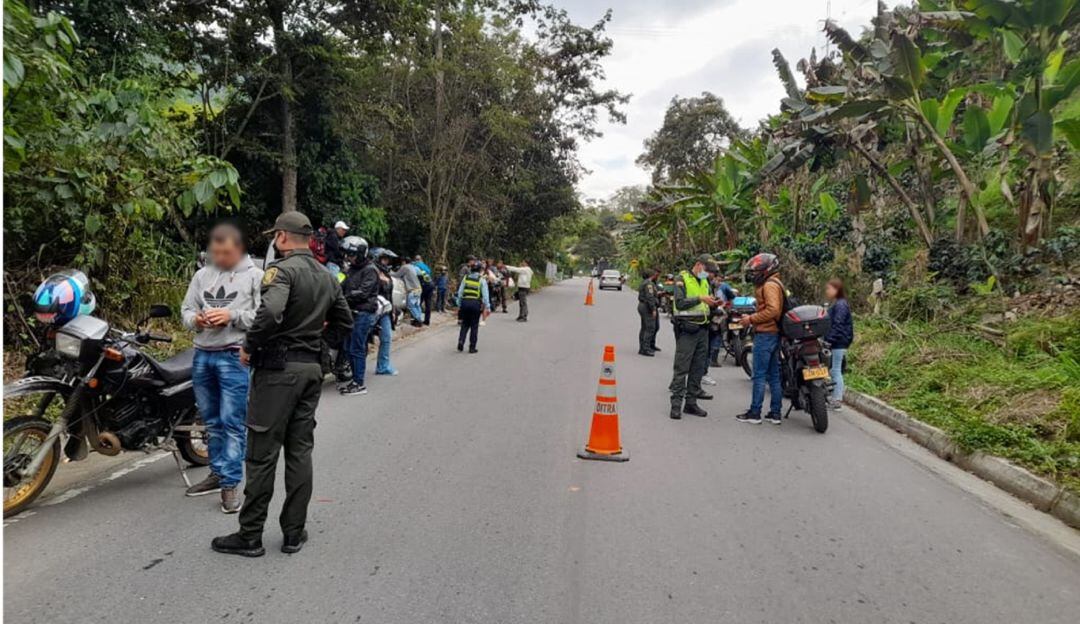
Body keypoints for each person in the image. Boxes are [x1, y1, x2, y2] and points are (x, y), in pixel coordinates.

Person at [211, 211, 352, 558]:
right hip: (310, 372)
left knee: (261, 455)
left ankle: (250, 535)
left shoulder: (282, 271)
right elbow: (345, 320)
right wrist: (320, 349)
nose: (274, 240)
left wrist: (249, 346)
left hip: (276, 373)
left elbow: (271, 312)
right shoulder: (326, 275)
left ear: (284, 237)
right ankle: (293, 533)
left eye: (275, 235)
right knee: (300, 452)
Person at [181, 223, 263, 514]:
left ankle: (230, 482)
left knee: (231, 422)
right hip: (203, 354)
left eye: (225, 251)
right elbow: (186, 311)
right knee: (211, 421)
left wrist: (231, 315)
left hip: (233, 355)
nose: (219, 256)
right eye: (215, 250)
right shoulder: (202, 276)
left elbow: (263, 315)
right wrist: (198, 321)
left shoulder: (256, 276)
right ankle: (216, 473)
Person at [668, 254, 719, 419]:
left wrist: (714, 304)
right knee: (682, 368)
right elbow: (680, 303)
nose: (709, 274)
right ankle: (676, 404)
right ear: (698, 265)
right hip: (687, 330)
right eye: (707, 270)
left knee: (697, 369)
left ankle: (691, 403)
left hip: (703, 329)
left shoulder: (705, 282)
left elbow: (707, 301)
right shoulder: (681, 279)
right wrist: (700, 298)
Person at [736, 253, 785, 425]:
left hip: (766, 334)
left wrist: (751, 319)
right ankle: (775, 413)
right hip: (773, 334)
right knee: (773, 375)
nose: (754, 274)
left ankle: (755, 412)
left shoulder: (770, 285)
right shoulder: (775, 283)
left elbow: (773, 310)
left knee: (759, 375)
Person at [339, 236, 379, 396]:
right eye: (347, 254)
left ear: (361, 254)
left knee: (356, 348)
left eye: (352, 254)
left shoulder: (370, 270)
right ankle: (353, 379)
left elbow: (363, 293)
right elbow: (339, 283)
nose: (349, 257)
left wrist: (344, 296)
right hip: (351, 312)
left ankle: (359, 383)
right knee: (348, 348)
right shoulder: (350, 269)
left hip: (363, 313)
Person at [824, 278, 853, 410]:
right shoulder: (838, 303)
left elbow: (838, 324)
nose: (827, 291)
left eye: (829, 289)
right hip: (839, 340)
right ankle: (835, 398)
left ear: (836, 290)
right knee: (834, 369)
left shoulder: (841, 305)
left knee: (836, 370)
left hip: (839, 341)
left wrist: (829, 339)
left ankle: (837, 400)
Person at [371, 249, 399, 376]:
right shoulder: (371, 271)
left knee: (386, 338)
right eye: (384, 259)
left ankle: (382, 366)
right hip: (372, 310)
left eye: (387, 259)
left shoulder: (386, 274)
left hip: (385, 310)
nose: (386, 262)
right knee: (360, 340)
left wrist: (393, 309)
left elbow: (389, 294)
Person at [456, 261, 490, 353]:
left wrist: (459, 304)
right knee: (474, 326)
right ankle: (472, 347)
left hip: (465, 302)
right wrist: (487, 307)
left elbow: (460, 293)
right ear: (479, 270)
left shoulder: (465, 278)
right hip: (475, 303)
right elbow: (485, 296)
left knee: (465, 324)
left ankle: (461, 341)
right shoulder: (481, 279)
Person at [393, 259, 424, 327]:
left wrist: (388, 272)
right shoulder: (413, 267)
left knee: (410, 306)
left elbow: (396, 275)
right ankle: (420, 319)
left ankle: (418, 320)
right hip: (419, 288)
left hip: (413, 290)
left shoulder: (405, 267)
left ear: (404, 262)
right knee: (417, 305)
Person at [637, 268, 660, 356]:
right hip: (647, 307)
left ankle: (643, 348)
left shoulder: (645, 282)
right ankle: (645, 349)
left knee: (644, 328)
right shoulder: (649, 284)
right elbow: (650, 297)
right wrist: (653, 309)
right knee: (650, 328)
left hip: (643, 305)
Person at [414, 255, 435, 325]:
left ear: (415, 260)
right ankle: (427, 321)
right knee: (428, 304)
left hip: (424, 286)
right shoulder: (425, 266)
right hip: (431, 284)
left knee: (418, 303)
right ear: (421, 259)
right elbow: (429, 272)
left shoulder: (415, 266)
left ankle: (417, 319)